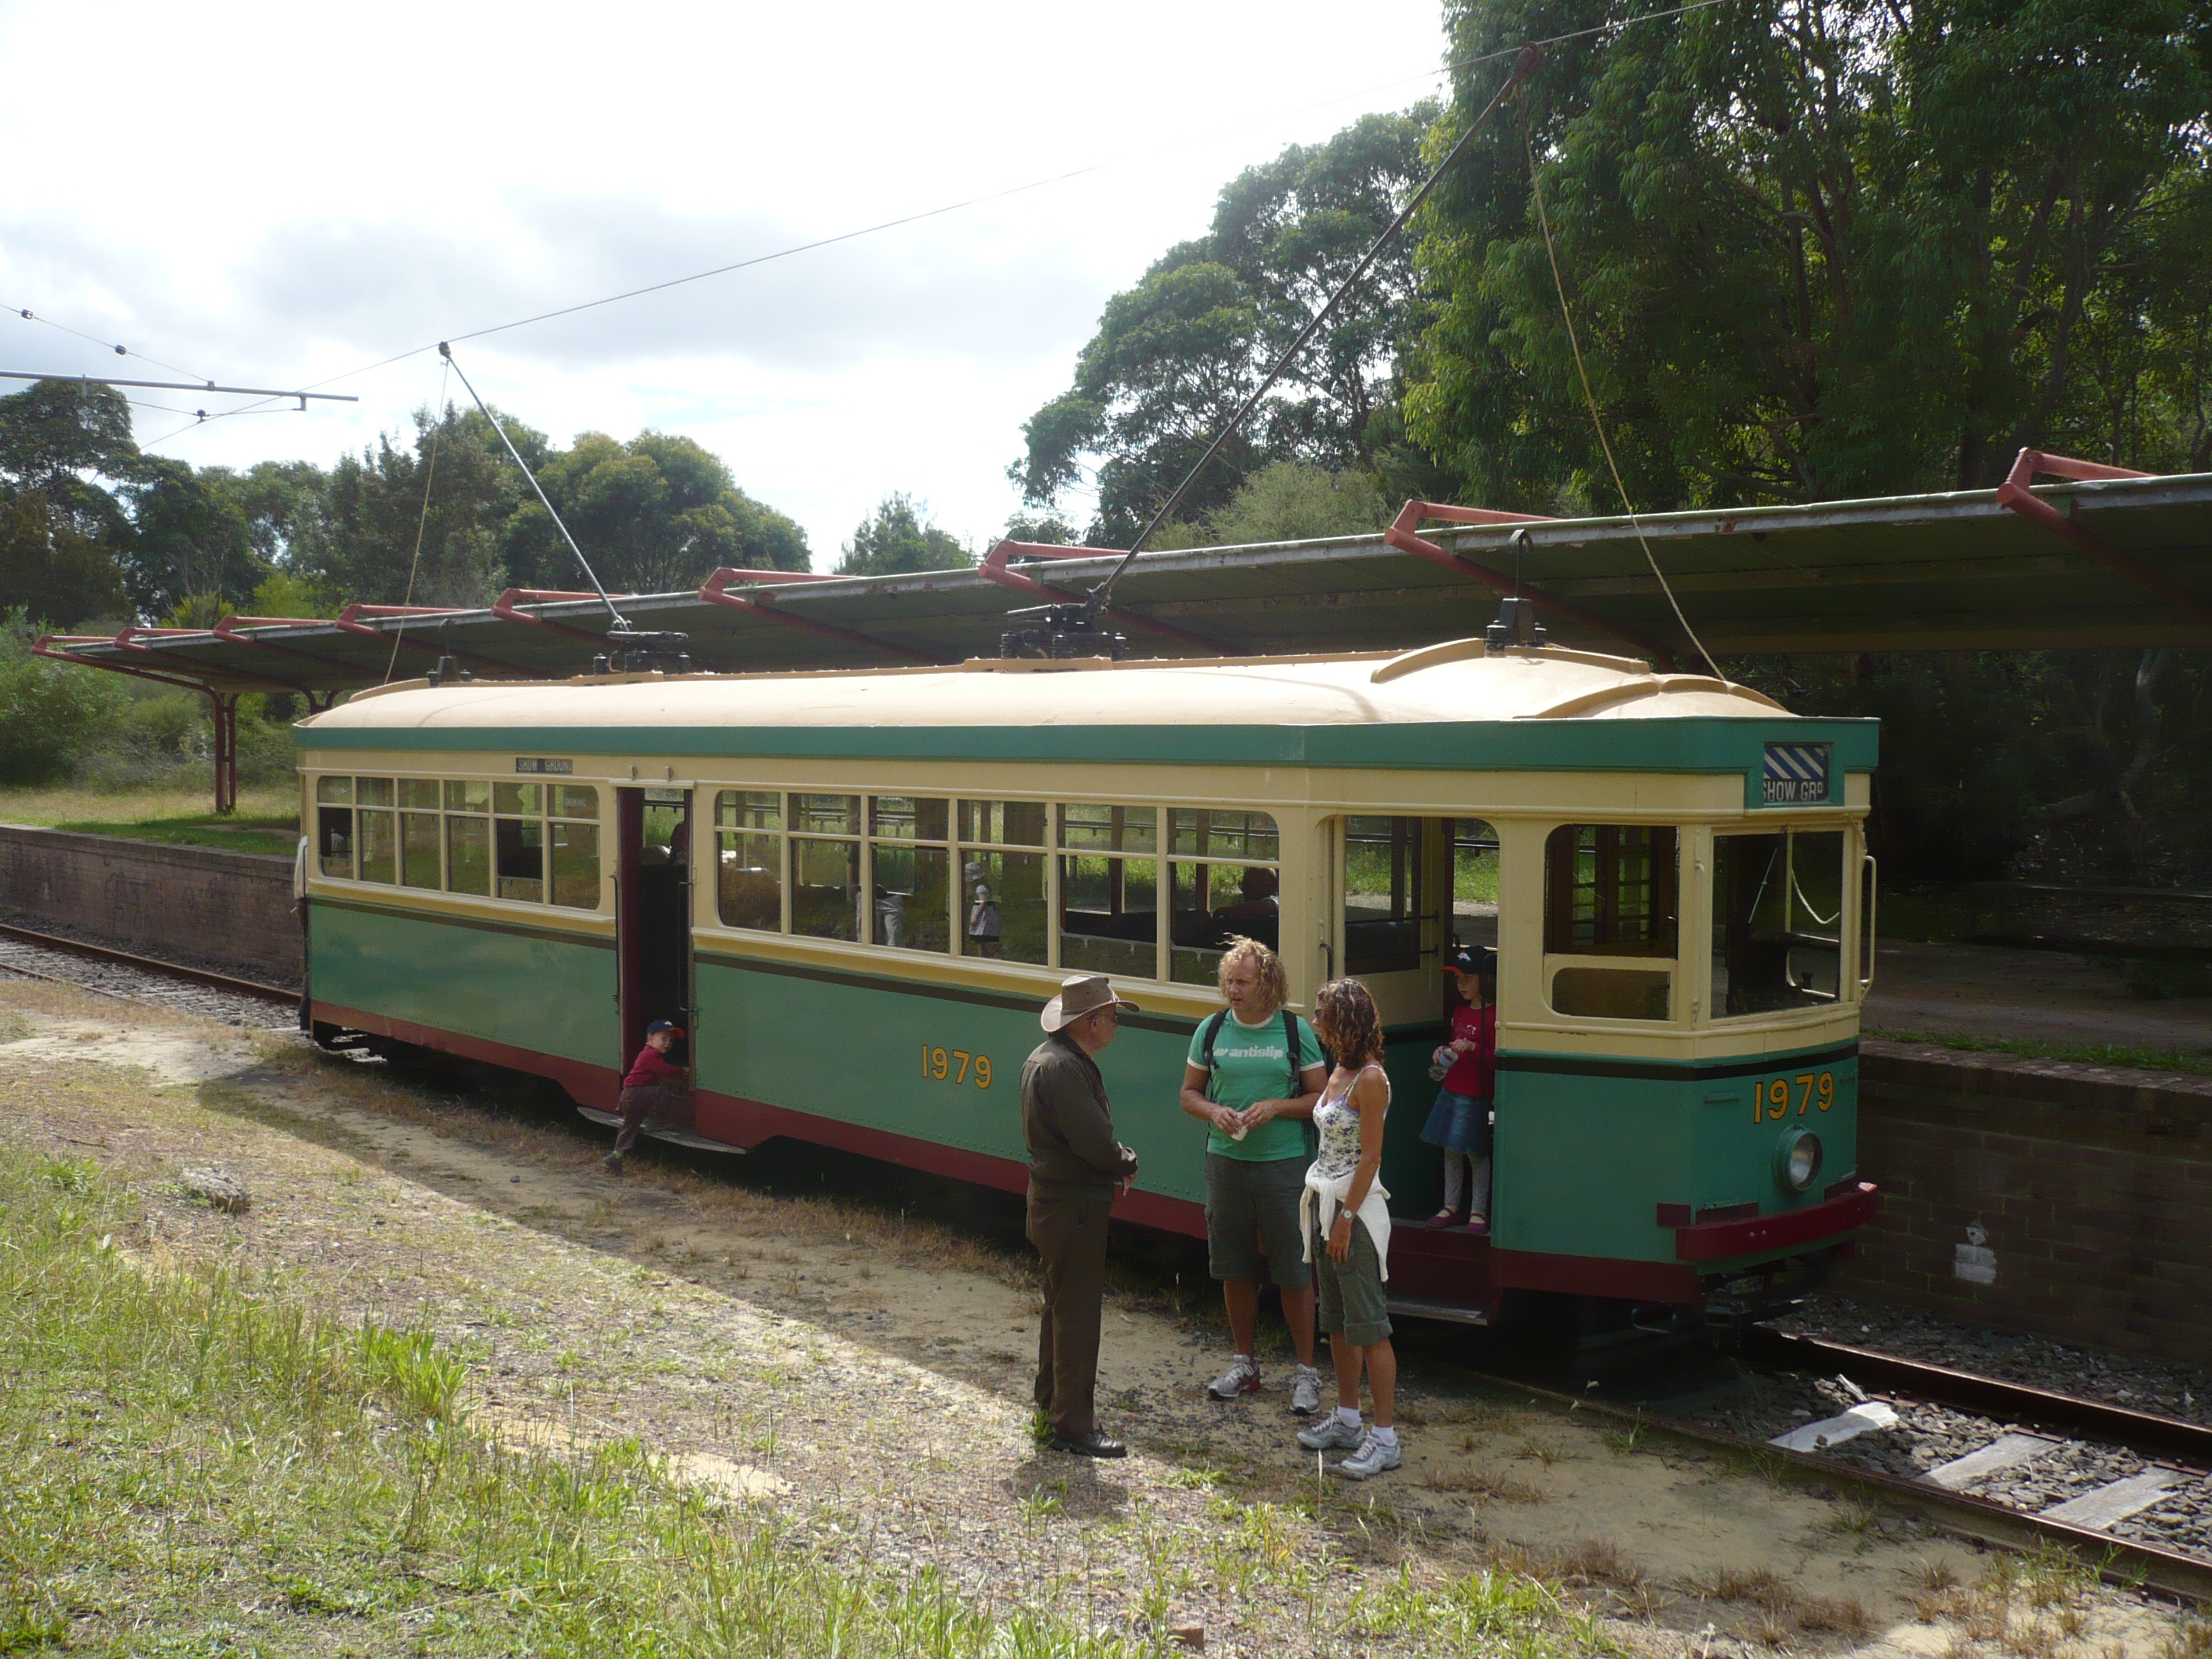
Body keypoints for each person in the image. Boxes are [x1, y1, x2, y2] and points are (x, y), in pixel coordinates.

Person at [1178, 937, 1328, 1412]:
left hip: (1284, 1165)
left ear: (1267, 984)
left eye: (1242, 981)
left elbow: (1321, 1099)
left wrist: (1278, 1107)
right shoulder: (1212, 1028)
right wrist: (1213, 1112)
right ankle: (1245, 1363)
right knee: (1234, 1266)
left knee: (1294, 1270)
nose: (1233, 989)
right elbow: (1188, 1094)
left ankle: (1306, 1372)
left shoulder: (1293, 1029)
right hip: (1225, 1161)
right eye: (1229, 980)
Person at [1022, 972, 1142, 1457]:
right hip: (1074, 1205)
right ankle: (1073, 1425)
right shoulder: (1067, 1069)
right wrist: (1126, 1160)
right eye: (1112, 1018)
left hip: (1055, 1201)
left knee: (1059, 1305)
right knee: (1077, 1313)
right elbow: (1094, 1143)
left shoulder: (1047, 1059)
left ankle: (1052, 1406)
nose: (1115, 1027)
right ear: (1091, 1022)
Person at [1294, 977, 1401, 1478]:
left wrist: (1345, 1219)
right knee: (1336, 1321)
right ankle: (1348, 1418)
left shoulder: (1372, 1080)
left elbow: (1371, 1156)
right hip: (1326, 1206)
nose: (1315, 1021)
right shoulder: (1340, 1069)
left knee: (1370, 1326)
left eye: (1322, 1014)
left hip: (1353, 1215)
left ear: (1345, 1021)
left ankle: (1385, 1438)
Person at [1420, 946, 1497, 1233]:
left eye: (1468, 978)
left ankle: (1478, 1210)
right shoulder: (1460, 1013)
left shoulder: (1495, 1016)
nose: (1461, 985)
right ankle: (1450, 1205)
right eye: (1458, 980)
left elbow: (1496, 1058)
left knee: (1475, 1152)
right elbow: (1455, 1047)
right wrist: (1443, 1052)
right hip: (1451, 1089)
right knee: (1449, 1149)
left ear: (1486, 980)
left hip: (1477, 1095)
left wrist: (1474, 1047)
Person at [604, 1019, 685, 1170]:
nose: (668, 1043)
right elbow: (663, 1070)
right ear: (650, 1039)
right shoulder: (649, 1055)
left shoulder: (651, 1054)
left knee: (630, 1126)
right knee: (662, 1092)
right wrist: (683, 1071)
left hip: (631, 1095)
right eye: (664, 1039)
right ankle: (655, 1122)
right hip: (636, 1093)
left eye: (671, 1041)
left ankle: (616, 1156)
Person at [966, 862, 1002, 958]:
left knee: (981, 939)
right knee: (980, 940)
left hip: (983, 915)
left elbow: (983, 902)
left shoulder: (980, 888)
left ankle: (984, 956)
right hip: (982, 913)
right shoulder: (979, 887)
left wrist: (976, 917)